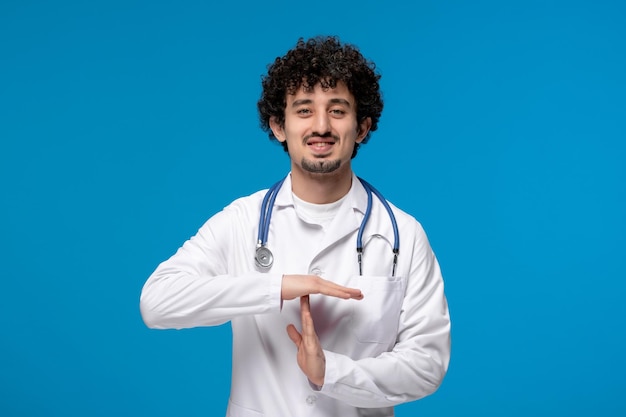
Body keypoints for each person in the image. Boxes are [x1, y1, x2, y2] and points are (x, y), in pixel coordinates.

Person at [140, 35, 451, 417]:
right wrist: (277, 287)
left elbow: (427, 364)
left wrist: (333, 372)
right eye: (304, 110)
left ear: (363, 127)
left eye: (337, 110)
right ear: (278, 126)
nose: (321, 126)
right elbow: (156, 302)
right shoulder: (242, 220)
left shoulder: (403, 234)